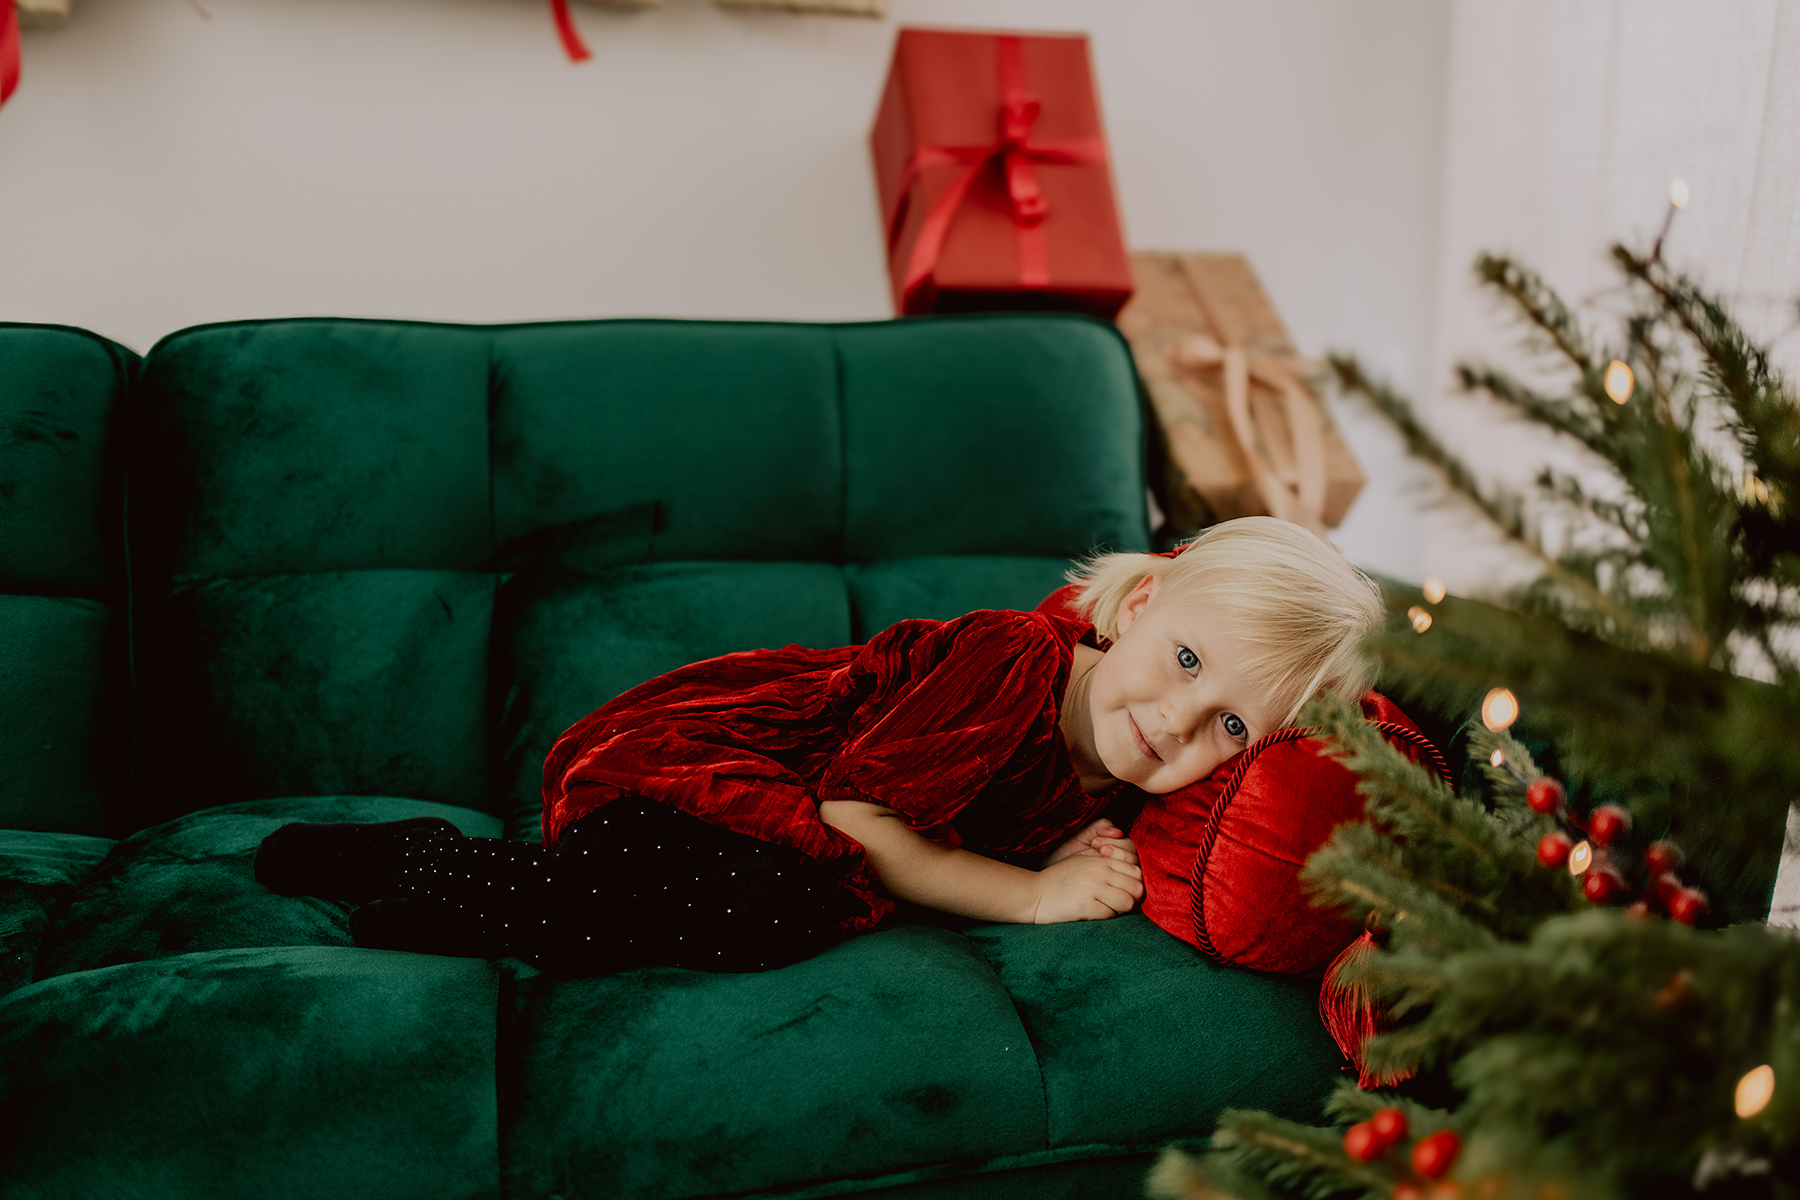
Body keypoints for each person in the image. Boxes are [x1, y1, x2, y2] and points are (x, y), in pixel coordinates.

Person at [255, 516, 1382, 976]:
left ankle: (438, 877)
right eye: (1187, 661)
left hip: (749, 819)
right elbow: (856, 818)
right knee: (783, 901)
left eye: (1229, 726)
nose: (1179, 723)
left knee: (759, 904)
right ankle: (437, 869)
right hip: (693, 765)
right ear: (1140, 607)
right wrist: (1033, 894)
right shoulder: (1013, 661)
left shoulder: (1114, 774)